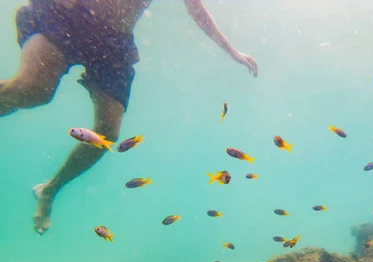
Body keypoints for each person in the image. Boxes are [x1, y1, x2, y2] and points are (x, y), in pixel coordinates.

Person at [0, 0, 258, 235]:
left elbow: (196, 10)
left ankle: (50, 190)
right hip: (68, 15)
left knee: (106, 135)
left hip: (113, 43)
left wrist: (232, 51)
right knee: (33, 89)